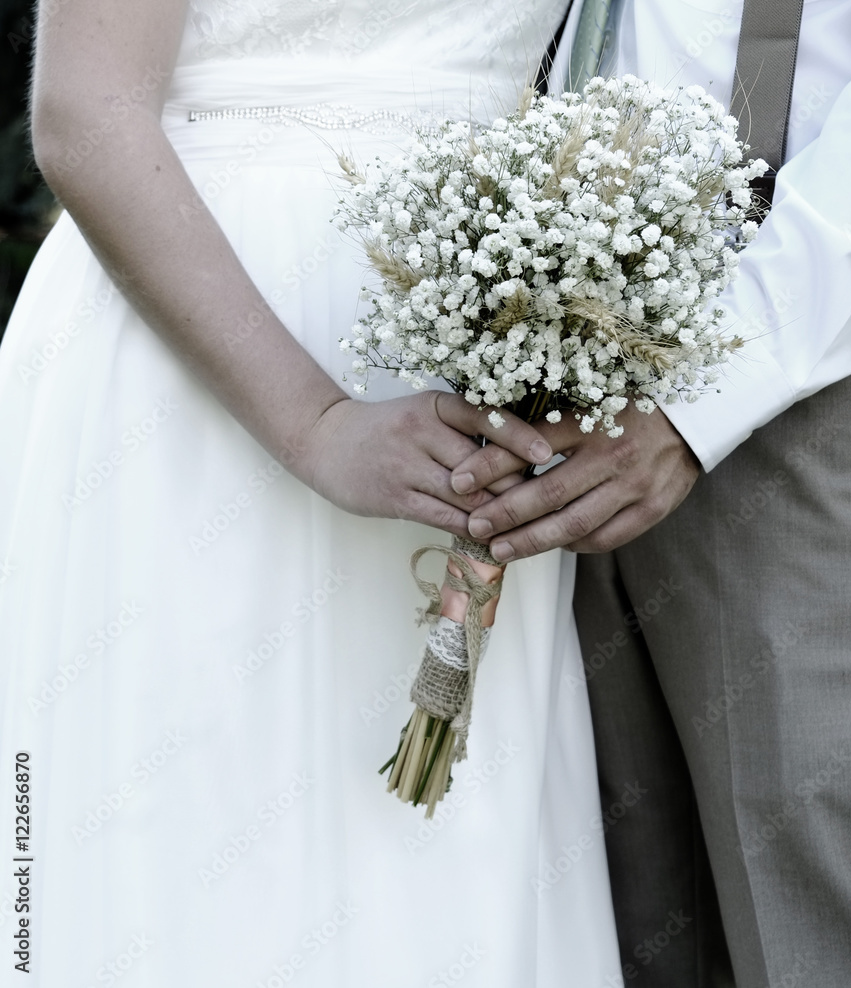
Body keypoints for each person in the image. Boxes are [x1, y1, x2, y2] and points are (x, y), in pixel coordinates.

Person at [0, 1, 625, 984]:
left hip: (471, 327)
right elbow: (87, 114)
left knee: (431, 863)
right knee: (200, 838)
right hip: (200, 341)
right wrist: (314, 421)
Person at [452, 1, 851, 985]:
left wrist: (696, 397)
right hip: (578, 380)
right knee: (641, 926)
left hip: (814, 390)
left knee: (824, 947)